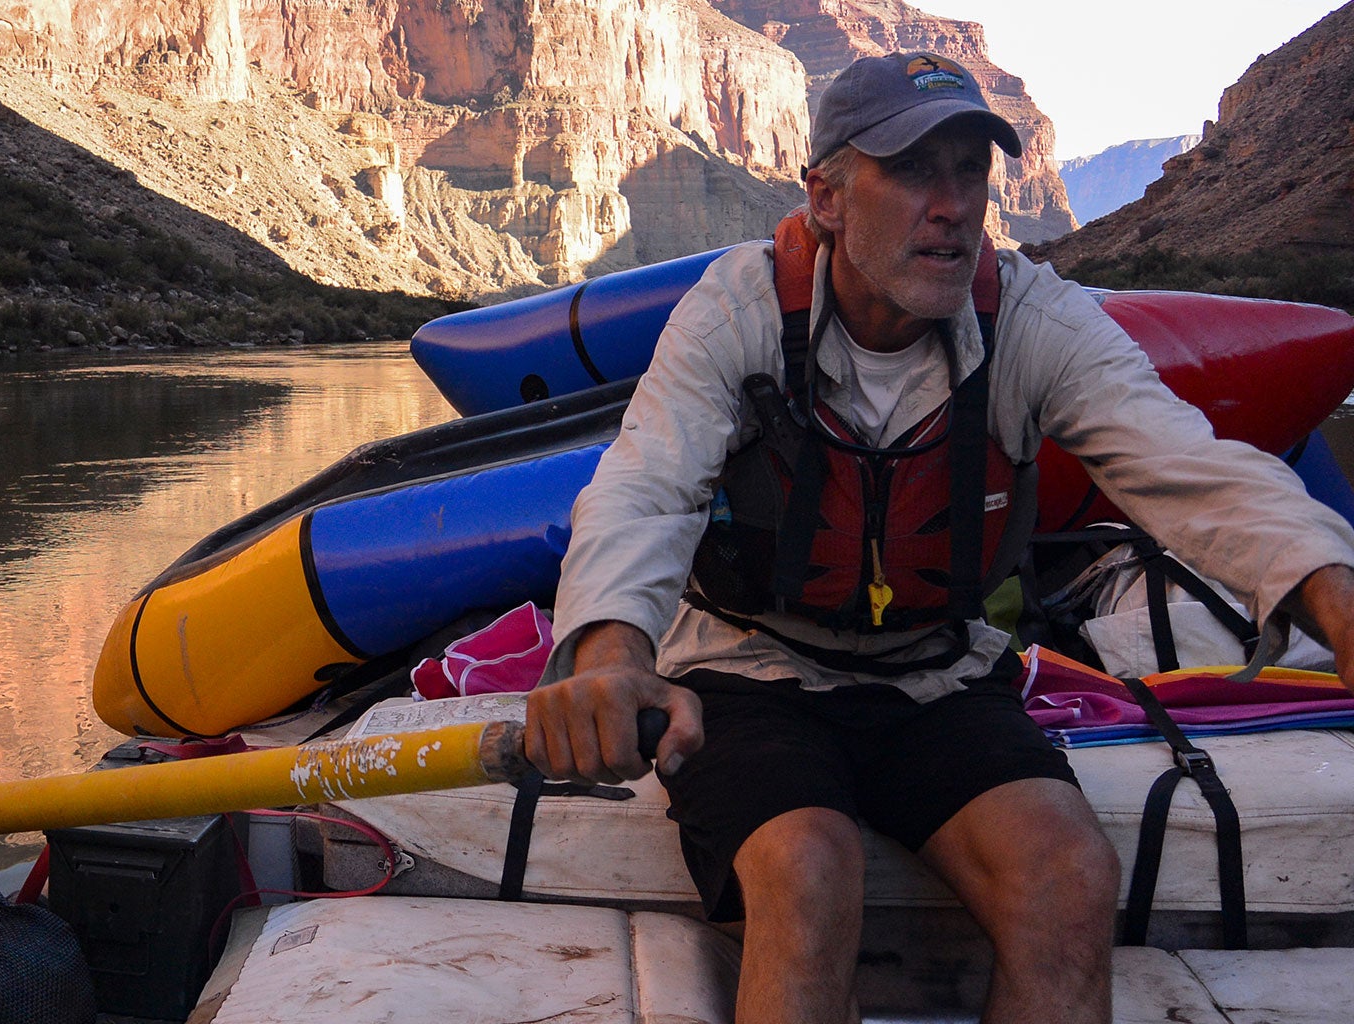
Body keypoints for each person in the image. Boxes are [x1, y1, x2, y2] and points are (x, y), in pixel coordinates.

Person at [523, 50, 1354, 1023]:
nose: (952, 204)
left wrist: (1333, 592)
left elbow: (1184, 464)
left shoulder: (1032, 317)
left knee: (1067, 874)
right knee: (805, 866)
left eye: (970, 170)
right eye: (914, 170)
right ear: (825, 198)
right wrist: (610, 652)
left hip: (937, 673)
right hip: (749, 671)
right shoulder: (737, 309)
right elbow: (642, 490)